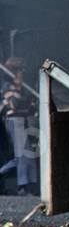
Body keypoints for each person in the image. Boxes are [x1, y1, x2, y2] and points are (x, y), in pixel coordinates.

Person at [1, 58, 40, 195]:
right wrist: (17, 87)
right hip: (14, 120)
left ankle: (26, 184)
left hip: (22, 120)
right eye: (20, 70)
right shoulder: (7, 86)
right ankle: (24, 185)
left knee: (22, 156)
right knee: (23, 154)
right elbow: (14, 104)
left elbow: (29, 104)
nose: (23, 72)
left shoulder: (21, 86)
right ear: (14, 71)